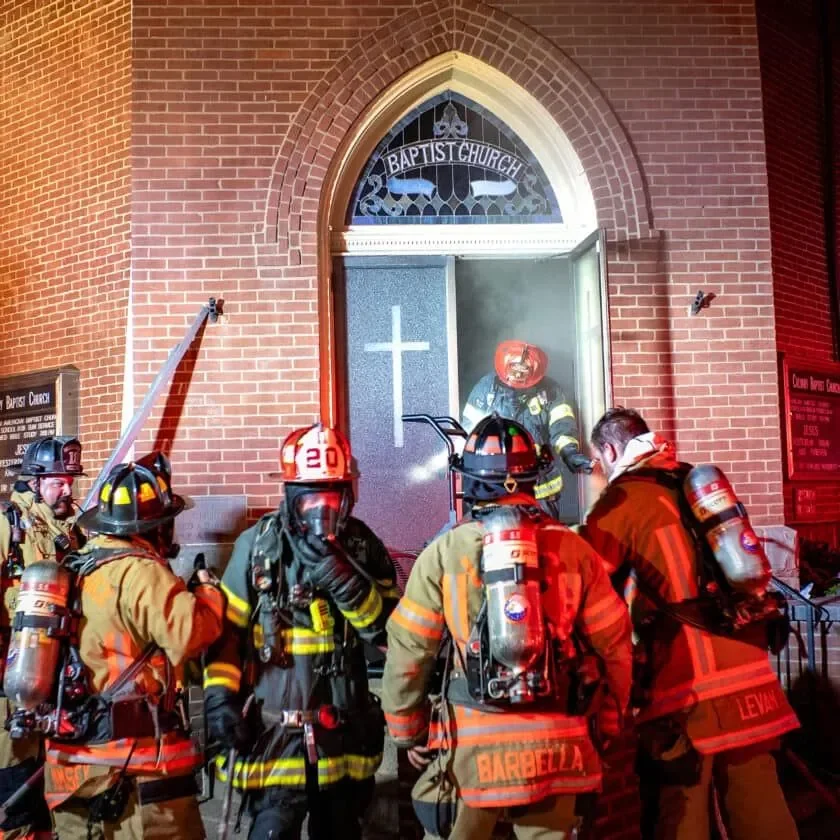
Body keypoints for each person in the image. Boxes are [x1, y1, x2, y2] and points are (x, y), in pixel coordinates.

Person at [382, 414, 632, 840]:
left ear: (472, 482)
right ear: (534, 479)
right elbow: (616, 645)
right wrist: (610, 720)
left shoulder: (445, 552)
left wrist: (408, 731)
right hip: (559, 747)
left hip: (472, 753)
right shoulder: (575, 549)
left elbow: (409, 649)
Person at [579, 407, 800, 840]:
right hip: (752, 682)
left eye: (598, 461)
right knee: (761, 810)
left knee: (681, 816)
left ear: (608, 449)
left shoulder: (620, 502)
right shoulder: (691, 484)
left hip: (687, 690)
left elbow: (585, 581)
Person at [203, 423, 399, 840]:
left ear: (348, 494)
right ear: (291, 496)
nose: (320, 509)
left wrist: (343, 579)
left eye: (331, 495)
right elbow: (227, 635)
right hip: (275, 736)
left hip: (343, 737)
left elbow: (390, 638)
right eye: (311, 496)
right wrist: (219, 698)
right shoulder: (257, 546)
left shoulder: (362, 547)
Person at [40, 451, 225, 839]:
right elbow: (190, 633)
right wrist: (208, 592)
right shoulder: (140, 571)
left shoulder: (77, 564)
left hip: (70, 772)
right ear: (156, 526)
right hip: (134, 777)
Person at [0, 436, 86, 840]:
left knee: (53, 771)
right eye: (58, 481)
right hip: (15, 667)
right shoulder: (8, 523)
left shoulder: (75, 526)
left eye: (70, 480)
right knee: (14, 769)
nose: (68, 489)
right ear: (35, 483)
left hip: (62, 670)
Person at [461, 340, 592, 520]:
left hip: (541, 489)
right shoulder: (486, 390)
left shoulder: (550, 392)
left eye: (524, 375)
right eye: (515, 372)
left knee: (546, 540)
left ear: (535, 374)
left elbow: (562, 426)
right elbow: (470, 432)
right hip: (497, 488)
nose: (518, 380)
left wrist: (570, 453)